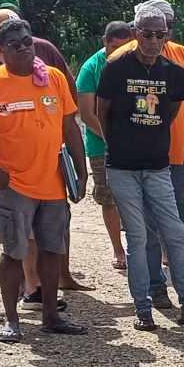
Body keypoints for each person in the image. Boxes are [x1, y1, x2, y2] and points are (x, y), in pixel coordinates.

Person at [97, 12, 184, 331]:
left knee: (176, 233)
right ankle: (144, 309)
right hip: (124, 167)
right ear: (135, 32)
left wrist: (157, 139)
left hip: (158, 165)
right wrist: (117, 142)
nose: (154, 41)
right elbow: (101, 110)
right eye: (148, 34)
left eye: (161, 35)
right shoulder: (116, 67)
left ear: (168, 35)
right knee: (139, 237)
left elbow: (174, 109)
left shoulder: (172, 71)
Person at [0, 18, 88, 343]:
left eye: (27, 41)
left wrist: (81, 165)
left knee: (51, 250)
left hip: (53, 184)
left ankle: (51, 315)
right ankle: (12, 320)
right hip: (14, 187)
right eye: (15, 44)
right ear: (0, 50)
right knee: (14, 254)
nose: (23, 47)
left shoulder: (53, 79)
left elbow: (69, 125)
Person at [76, 22, 136, 271]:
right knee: (108, 199)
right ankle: (118, 249)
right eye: (113, 48)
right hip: (101, 145)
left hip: (135, 142)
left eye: (123, 47)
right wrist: (113, 139)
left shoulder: (138, 62)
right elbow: (87, 114)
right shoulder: (91, 68)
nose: (117, 53)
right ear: (105, 42)